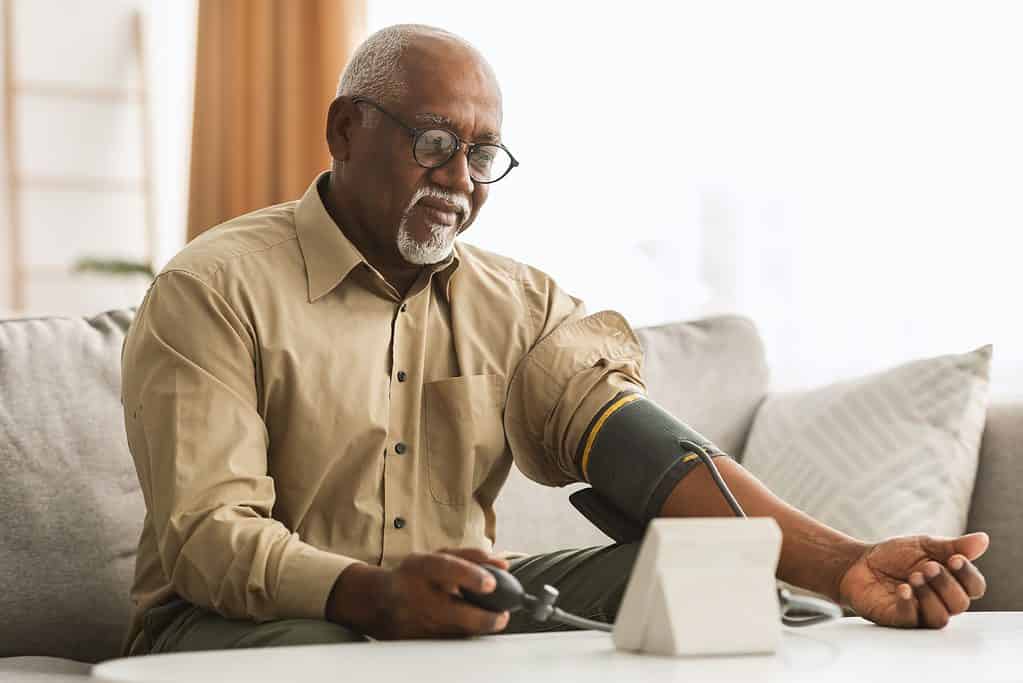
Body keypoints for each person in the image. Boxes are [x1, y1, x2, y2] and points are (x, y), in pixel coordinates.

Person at [120, 24, 988, 655]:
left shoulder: (520, 303)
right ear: (345, 130)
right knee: (330, 650)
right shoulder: (214, 287)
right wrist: (376, 596)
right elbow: (209, 538)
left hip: (446, 605)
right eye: (433, 141)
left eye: (481, 154)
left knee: (686, 581)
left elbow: (649, 458)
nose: (458, 179)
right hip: (233, 620)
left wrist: (844, 566)